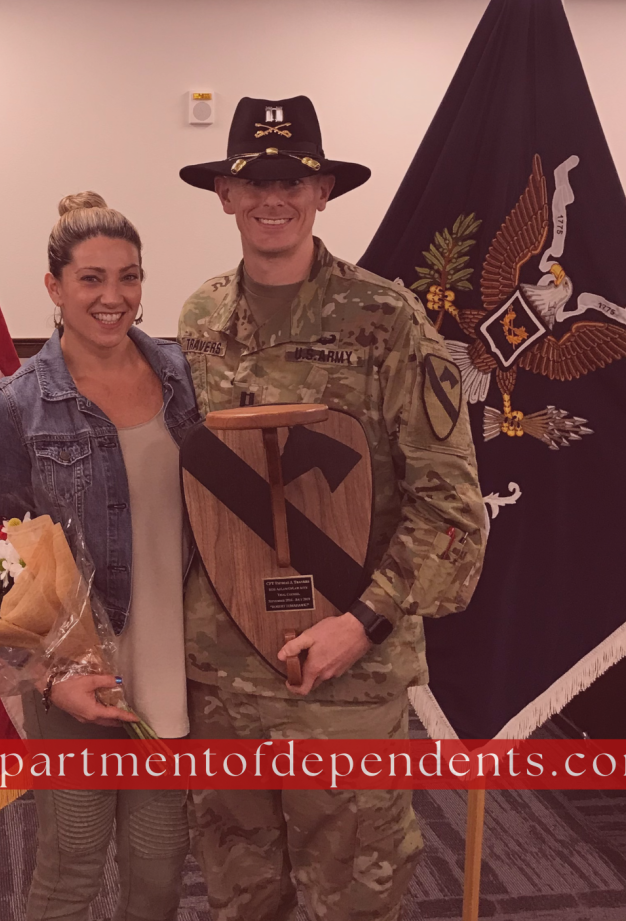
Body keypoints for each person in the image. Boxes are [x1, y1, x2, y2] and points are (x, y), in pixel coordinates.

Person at [177, 96, 488, 921]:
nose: (272, 198)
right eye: (254, 181)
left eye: (292, 180)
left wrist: (363, 623)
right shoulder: (201, 317)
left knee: (351, 897)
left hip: (345, 675)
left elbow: (452, 507)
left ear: (323, 193)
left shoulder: (388, 320)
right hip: (226, 669)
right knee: (241, 895)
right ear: (223, 194)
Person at [0, 192, 200, 921]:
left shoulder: (184, 379)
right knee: (71, 869)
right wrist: (45, 676)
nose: (114, 298)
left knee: (160, 873)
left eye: (129, 277)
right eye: (91, 279)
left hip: (181, 665)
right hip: (81, 676)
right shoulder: (17, 405)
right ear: (54, 287)